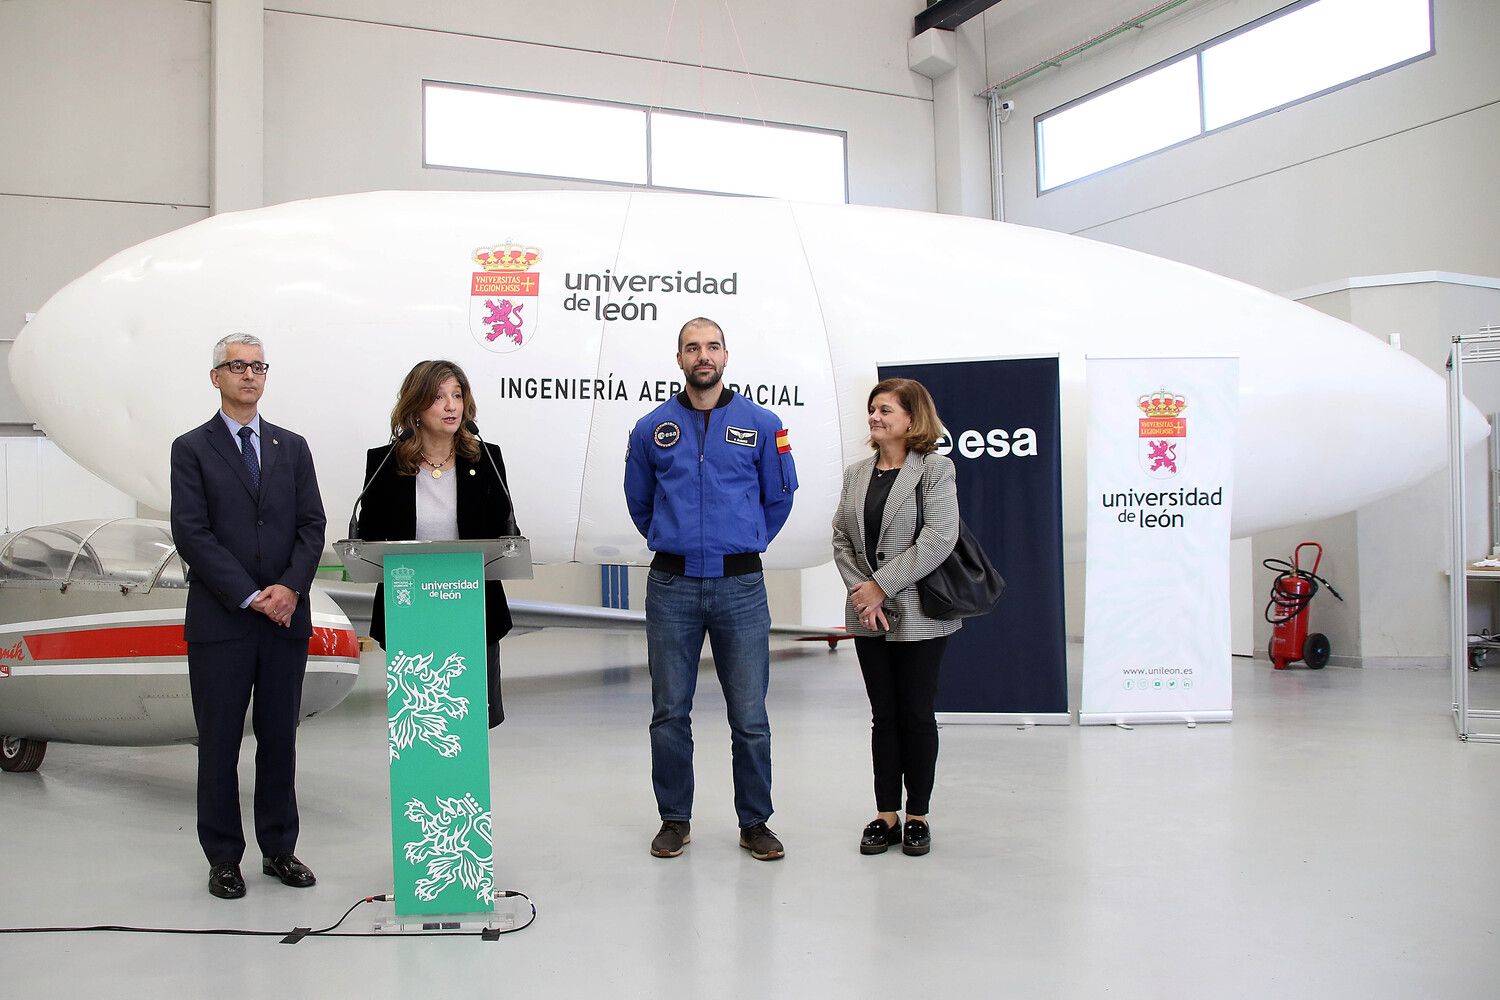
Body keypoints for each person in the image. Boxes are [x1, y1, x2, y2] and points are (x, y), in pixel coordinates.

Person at [624, 317, 798, 861]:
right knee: (669, 711)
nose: (704, 355)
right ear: (679, 359)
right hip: (671, 586)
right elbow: (640, 501)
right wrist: (673, 540)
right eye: (693, 347)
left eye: (713, 346)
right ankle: (675, 819)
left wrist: (740, 543)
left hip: (741, 587)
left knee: (749, 714)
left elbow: (779, 499)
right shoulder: (651, 429)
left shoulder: (764, 425)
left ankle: (755, 822)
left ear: (727, 355)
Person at [170, 333, 327, 899]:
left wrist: (288, 589)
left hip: (285, 621)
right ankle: (223, 858)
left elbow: (313, 525)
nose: (249, 375)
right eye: (237, 366)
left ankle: (280, 849)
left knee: (280, 738)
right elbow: (192, 532)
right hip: (222, 621)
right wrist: (250, 594)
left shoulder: (293, 447)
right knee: (218, 744)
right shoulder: (191, 449)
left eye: (258, 366)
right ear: (216, 377)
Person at [830, 377, 960, 857]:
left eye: (885, 410)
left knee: (916, 715)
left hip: (918, 613)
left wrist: (882, 586)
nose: (875, 418)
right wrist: (864, 595)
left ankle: (918, 815)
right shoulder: (856, 474)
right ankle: (885, 814)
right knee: (883, 716)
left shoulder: (934, 470)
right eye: (872, 410)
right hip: (868, 614)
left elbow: (938, 539)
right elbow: (841, 538)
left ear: (912, 418)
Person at [356, 359, 516, 729]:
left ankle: (464, 790)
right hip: (411, 609)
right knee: (419, 718)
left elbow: (502, 535)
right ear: (415, 407)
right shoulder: (385, 463)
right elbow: (370, 537)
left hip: (473, 609)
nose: (451, 406)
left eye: (457, 396)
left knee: (469, 722)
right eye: (439, 397)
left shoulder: (486, 458)